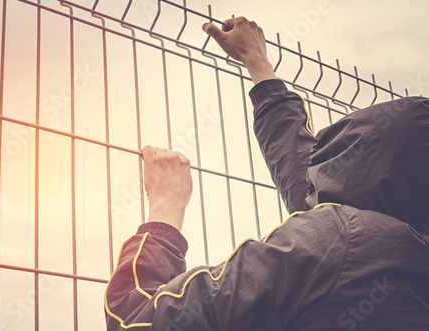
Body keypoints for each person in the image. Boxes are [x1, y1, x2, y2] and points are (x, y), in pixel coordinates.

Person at [104, 17, 429, 330]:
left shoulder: (337, 241)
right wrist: (258, 64)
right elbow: (316, 187)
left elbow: (135, 320)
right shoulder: (388, 246)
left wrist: (166, 207)